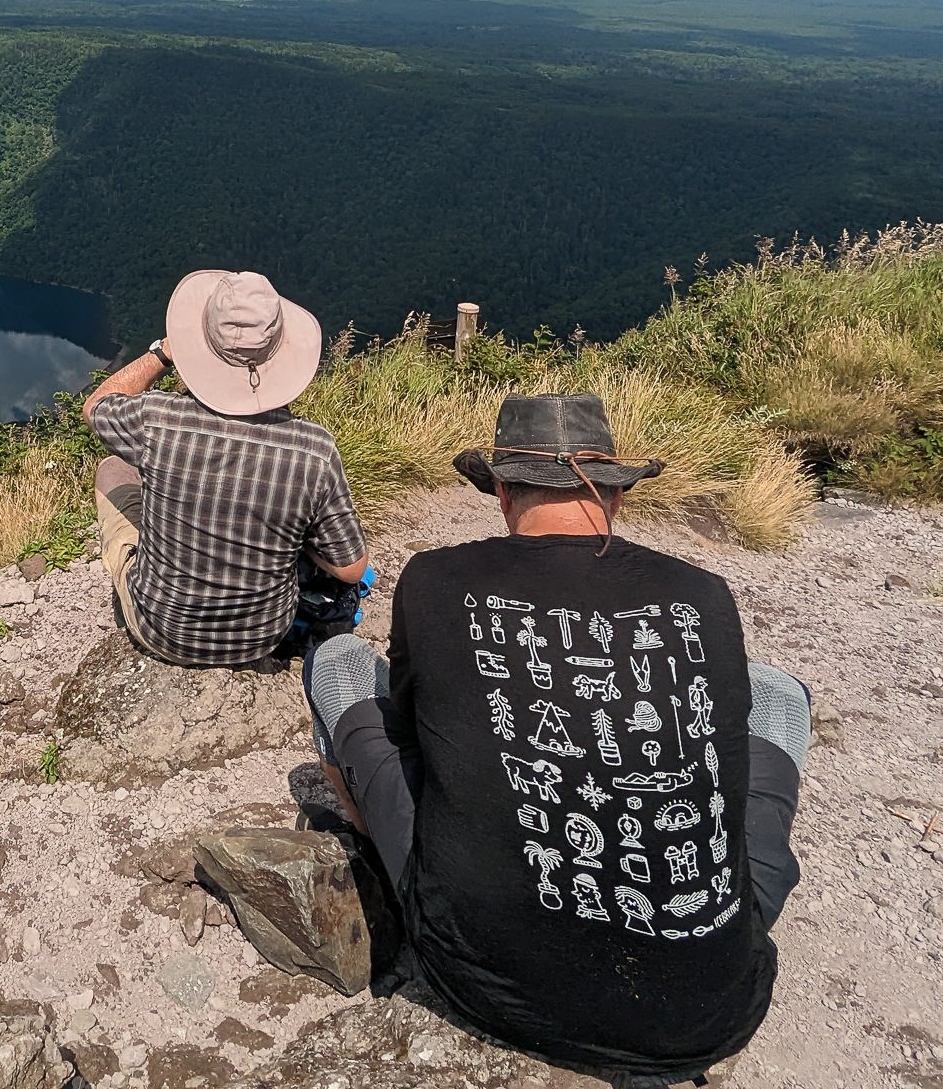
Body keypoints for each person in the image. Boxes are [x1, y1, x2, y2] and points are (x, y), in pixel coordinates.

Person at [301, 393, 810, 1089]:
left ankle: (372, 840)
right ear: (617, 495)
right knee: (778, 691)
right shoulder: (704, 594)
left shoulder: (435, 578)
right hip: (708, 1008)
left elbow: (412, 723)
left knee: (340, 665)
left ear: (504, 491)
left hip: (481, 977)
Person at [83, 269, 371, 667]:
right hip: (260, 638)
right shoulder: (314, 451)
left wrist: (163, 352)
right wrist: (293, 531)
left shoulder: (157, 420)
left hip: (160, 630)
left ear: (200, 346)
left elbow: (97, 405)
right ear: (279, 351)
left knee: (113, 470)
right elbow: (352, 569)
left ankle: (149, 566)